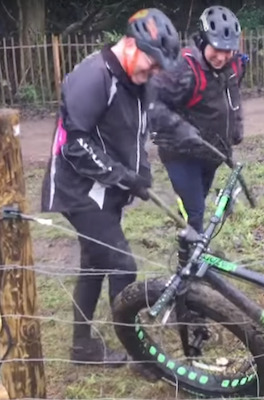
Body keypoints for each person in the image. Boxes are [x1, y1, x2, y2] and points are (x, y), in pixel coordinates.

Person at [40, 8, 198, 370]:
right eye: (151, 62)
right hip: (78, 189)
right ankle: (139, 353)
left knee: (95, 264)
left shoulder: (137, 81)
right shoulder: (92, 76)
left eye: (159, 67)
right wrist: (122, 175)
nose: (154, 72)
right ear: (130, 44)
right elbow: (73, 145)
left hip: (106, 187)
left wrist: (139, 172)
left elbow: (137, 130)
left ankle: (82, 347)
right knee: (122, 266)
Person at [149, 5, 247, 234]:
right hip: (181, 153)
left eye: (228, 50)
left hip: (212, 152)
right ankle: (188, 265)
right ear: (203, 41)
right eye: (217, 49)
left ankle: (192, 248)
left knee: (198, 204)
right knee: (194, 216)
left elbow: (233, 99)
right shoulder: (182, 69)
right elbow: (151, 104)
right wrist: (181, 129)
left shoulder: (233, 66)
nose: (222, 56)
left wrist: (236, 127)